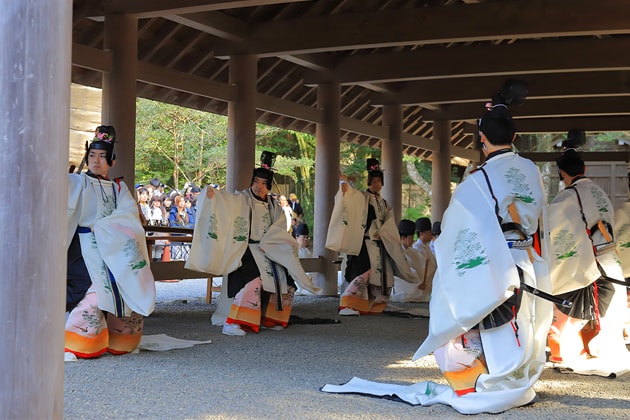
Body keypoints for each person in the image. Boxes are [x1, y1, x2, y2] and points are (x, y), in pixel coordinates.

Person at [323, 84, 553, 414]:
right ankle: (516, 377)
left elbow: (456, 225)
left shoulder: (479, 179)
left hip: (495, 261)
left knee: (479, 315)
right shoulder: (532, 171)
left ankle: (491, 379)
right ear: (513, 136)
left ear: (482, 140)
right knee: (521, 321)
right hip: (526, 258)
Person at [186, 151, 320, 336]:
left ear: (269, 186)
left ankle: (270, 318)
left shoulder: (274, 205)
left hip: (268, 251)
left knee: (287, 282)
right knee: (254, 280)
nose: (259, 186)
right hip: (246, 249)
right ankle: (233, 322)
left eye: (264, 183)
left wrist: (275, 245)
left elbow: (280, 229)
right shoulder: (242, 199)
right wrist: (213, 196)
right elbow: (226, 201)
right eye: (256, 181)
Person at [66, 125, 155, 359]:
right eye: (92, 156)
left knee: (127, 283)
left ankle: (121, 339)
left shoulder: (118, 188)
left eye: (102, 156)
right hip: (84, 247)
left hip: (113, 247)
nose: (96, 161)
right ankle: (78, 342)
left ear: (112, 161)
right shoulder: (77, 182)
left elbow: (129, 215)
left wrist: (106, 228)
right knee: (94, 290)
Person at [547, 148, 630, 376]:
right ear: (584, 169)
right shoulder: (599, 192)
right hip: (610, 259)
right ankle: (600, 351)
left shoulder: (567, 196)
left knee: (577, 315)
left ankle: (574, 354)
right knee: (610, 314)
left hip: (589, 263)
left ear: (562, 173)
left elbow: (554, 230)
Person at [325, 158, 418, 316]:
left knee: (383, 274)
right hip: (365, 242)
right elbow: (351, 201)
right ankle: (350, 303)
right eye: (374, 181)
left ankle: (374, 305)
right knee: (363, 272)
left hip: (381, 243)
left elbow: (389, 222)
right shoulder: (362, 197)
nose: (377, 184)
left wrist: (385, 233)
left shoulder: (384, 202)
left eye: (379, 181)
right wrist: (345, 186)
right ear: (369, 182)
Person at [390, 219, 436, 303]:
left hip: (418, 284)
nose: (413, 240)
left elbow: (424, 265)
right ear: (403, 238)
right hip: (404, 286)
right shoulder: (397, 252)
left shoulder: (413, 252)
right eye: (411, 237)